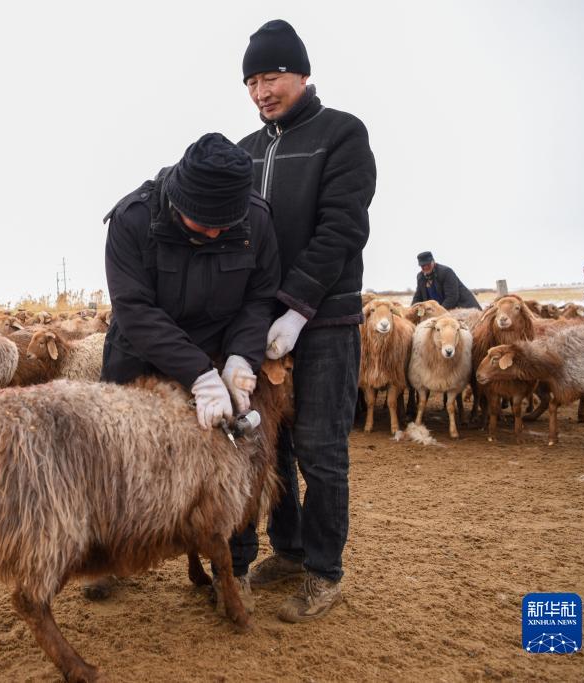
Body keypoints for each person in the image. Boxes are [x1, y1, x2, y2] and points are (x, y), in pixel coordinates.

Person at [91, 132, 280, 603]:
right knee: (121, 462)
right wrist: (197, 373)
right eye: (203, 223)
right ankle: (108, 555)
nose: (215, 233)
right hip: (141, 355)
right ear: (177, 200)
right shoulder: (133, 219)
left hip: (222, 351)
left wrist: (240, 357)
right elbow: (134, 309)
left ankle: (230, 570)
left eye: (224, 225)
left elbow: (259, 296)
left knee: (233, 462)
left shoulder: (255, 219)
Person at [233, 19, 376, 623]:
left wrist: (297, 307)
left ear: (302, 74)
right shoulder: (244, 150)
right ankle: (288, 550)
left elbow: (342, 227)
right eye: (252, 81)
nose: (262, 90)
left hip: (325, 322)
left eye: (272, 77)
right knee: (274, 447)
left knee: (320, 448)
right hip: (261, 328)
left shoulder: (340, 134)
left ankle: (324, 570)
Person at [411, 251, 481, 310]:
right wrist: (411, 311)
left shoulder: (446, 272)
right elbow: (418, 297)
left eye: (428, 264)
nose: (425, 267)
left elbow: (452, 297)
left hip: (464, 308)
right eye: (423, 265)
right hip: (443, 311)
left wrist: (438, 313)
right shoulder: (420, 277)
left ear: (433, 262)